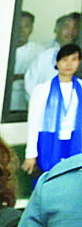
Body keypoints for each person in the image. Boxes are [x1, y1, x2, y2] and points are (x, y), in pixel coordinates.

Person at [24, 42, 81, 176]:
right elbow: (34, 123)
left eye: (74, 59)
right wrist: (30, 154)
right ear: (56, 62)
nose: (69, 64)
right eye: (64, 60)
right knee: (50, 177)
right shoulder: (42, 90)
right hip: (49, 142)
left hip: (76, 141)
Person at [24, 12, 81, 97]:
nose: (70, 32)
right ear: (57, 28)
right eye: (66, 27)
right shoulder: (44, 55)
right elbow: (30, 86)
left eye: (75, 29)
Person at [10, 11, 47, 114]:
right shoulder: (3, 47)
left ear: (31, 28)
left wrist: (20, 77)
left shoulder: (40, 51)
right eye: (19, 25)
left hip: (26, 105)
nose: (22, 30)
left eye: (26, 26)